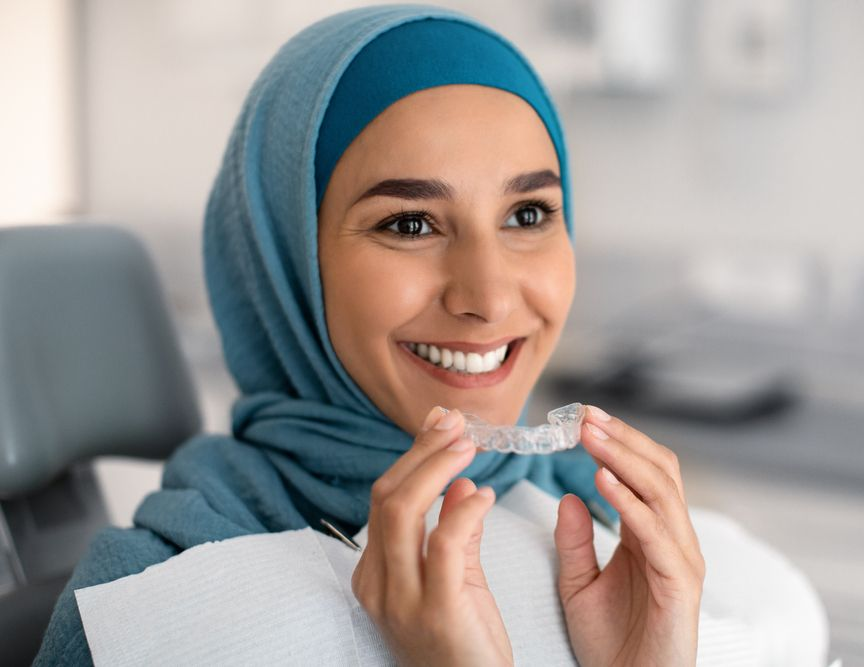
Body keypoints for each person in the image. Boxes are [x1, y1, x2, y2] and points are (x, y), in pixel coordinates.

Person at [36, 5, 706, 665]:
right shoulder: (146, 612)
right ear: (285, 263)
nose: (489, 296)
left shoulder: (622, 534)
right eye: (410, 224)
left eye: (527, 213)